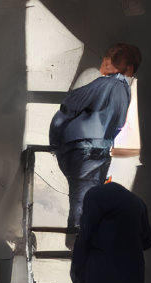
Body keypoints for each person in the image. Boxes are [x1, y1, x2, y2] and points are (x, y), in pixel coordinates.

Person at [49, 43, 142, 232]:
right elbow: (117, 124)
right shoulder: (122, 88)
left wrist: (56, 141)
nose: (106, 60)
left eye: (112, 57)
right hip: (96, 149)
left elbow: (69, 105)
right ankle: (80, 243)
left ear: (128, 67)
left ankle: (77, 244)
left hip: (83, 148)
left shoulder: (108, 84)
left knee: (83, 204)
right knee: (87, 202)